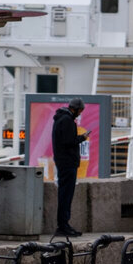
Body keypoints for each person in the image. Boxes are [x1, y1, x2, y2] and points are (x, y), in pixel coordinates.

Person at [51, 97, 90, 236]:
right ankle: (63, 226)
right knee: (66, 195)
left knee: (65, 194)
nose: (80, 114)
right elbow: (68, 142)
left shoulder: (61, 119)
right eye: (80, 111)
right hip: (67, 164)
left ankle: (64, 224)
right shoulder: (67, 121)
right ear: (76, 109)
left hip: (63, 163)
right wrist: (83, 138)